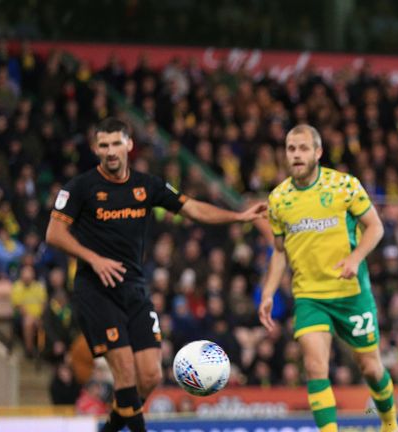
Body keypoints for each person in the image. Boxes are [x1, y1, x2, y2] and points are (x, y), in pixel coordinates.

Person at [45, 117, 267, 432]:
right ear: (96, 149)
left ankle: (109, 429)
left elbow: (193, 208)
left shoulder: (147, 185)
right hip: (97, 290)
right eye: (104, 145)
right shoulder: (80, 188)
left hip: (134, 289)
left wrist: (238, 215)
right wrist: (94, 259)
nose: (110, 151)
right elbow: (54, 234)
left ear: (129, 145)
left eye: (116, 143)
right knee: (124, 374)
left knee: (149, 377)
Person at [259, 124, 398, 432]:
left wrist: (355, 257)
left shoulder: (345, 186)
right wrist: (268, 292)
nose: (296, 155)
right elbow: (279, 252)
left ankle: (390, 425)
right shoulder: (278, 199)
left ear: (318, 152)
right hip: (310, 296)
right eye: (291, 149)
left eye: (303, 148)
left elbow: (376, 227)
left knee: (371, 369)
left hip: (351, 294)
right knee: (314, 366)